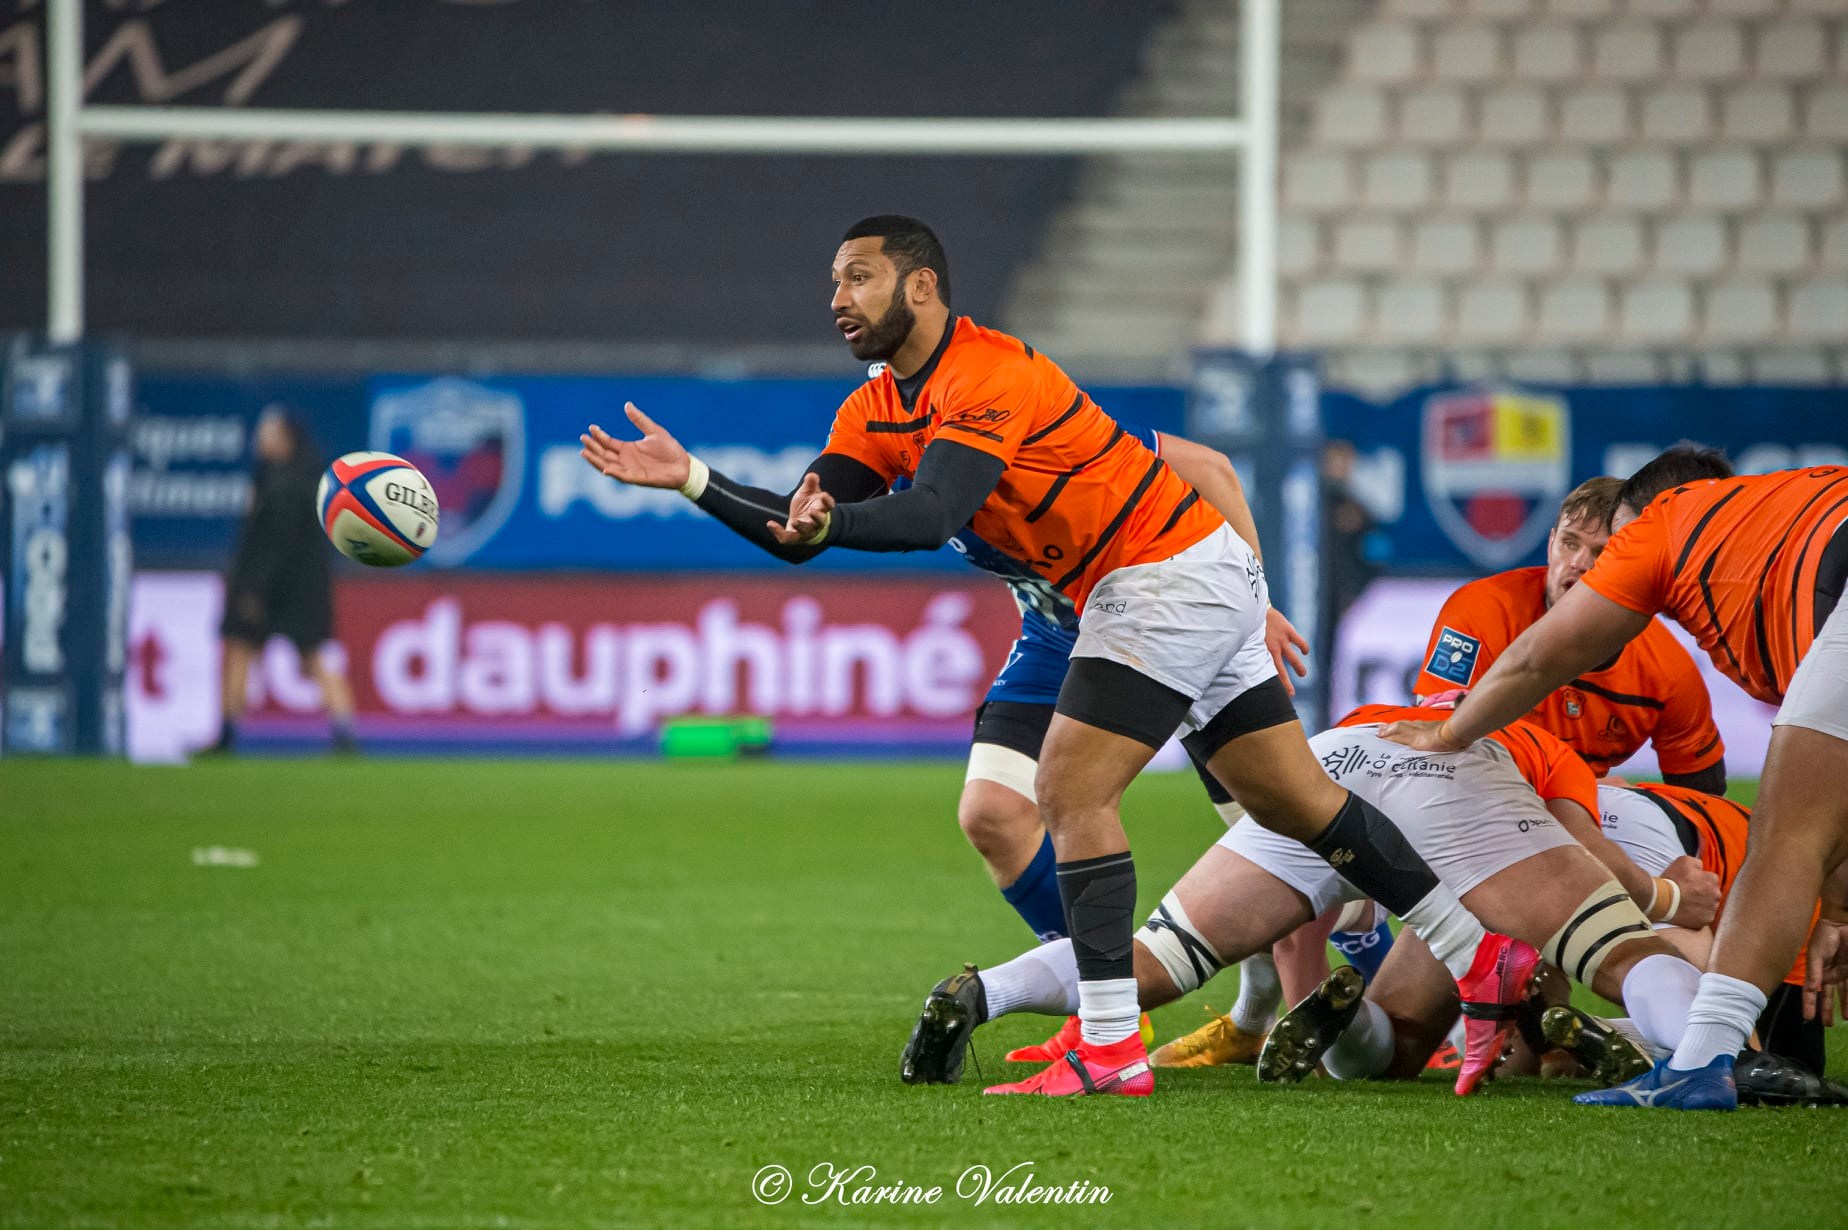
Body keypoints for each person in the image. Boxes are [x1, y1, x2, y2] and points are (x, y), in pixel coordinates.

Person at [580, 214, 1507, 1098]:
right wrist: (693, 480)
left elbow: (934, 513)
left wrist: (835, 521)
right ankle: (1482, 956)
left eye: (858, 276)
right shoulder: (874, 407)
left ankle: (1112, 1041)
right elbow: (799, 528)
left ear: (923, 284)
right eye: (834, 282)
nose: (839, 297)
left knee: (1070, 791)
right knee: (1293, 803)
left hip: (1157, 576)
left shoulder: (988, 374)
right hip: (1143, 585)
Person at [902, 699, 1713, 1097]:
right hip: (1457, 791)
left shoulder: (1420, 697)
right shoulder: (1563, 763)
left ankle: (988, 989)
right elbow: (1599, 858)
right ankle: (1708, 1063)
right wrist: (1673, 898)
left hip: (1336, 761)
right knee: (1621, 952)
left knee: (1158, 954)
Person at [1381, 445, 1848, 1109]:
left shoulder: (1665, 550)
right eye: (1571, 544)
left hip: (1561, 832)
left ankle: (1691, 1057)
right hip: (1568, 824)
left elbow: (1540, 661)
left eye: (1608, 549)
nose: (1591, 566)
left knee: (1781, 843)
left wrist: (1450, 731)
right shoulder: (1788, 506)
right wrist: (1836, 903)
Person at [1416, 477, 1725, 789]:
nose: (1578, 563)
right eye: (1569, 543)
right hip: (1477, 799)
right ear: (1551, 544)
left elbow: (1703, 798)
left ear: (1635, 565)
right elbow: (1434, 749)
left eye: (1602, 552)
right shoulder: (1479, 610)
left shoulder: (1670, 671)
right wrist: (1583, 789)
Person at [1596, 783, 1825, 1075]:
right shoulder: (1807, 909)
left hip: (1614, 813)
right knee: (1774, 1066)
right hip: (1636, 823)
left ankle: (1590, 1037)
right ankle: (1716, 1061)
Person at [202, 405, 358, 756]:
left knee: (250, 652)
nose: (260, 439)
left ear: (286, 439)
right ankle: (344, 734)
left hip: (280, 588)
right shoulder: (305, 478)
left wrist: (253, 589)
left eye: (268, 433)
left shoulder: (282, 484)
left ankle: (227, 735)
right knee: (305, 657)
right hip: (304, 589)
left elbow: (273, 545)